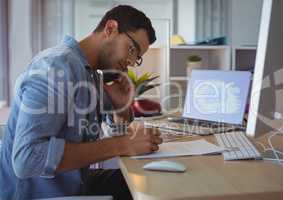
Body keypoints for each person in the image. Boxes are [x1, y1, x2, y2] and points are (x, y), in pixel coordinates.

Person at [0, 5, 162, 200]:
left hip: (74, 183)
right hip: (39, 195)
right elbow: (27, 159)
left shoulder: (90, 74)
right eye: (132, 49)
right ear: (110, 28)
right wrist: (123, 145)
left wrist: (121, 106)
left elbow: (115, 130)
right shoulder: (56, 67)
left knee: (150, 182)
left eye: (137, 58)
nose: (130, 61)